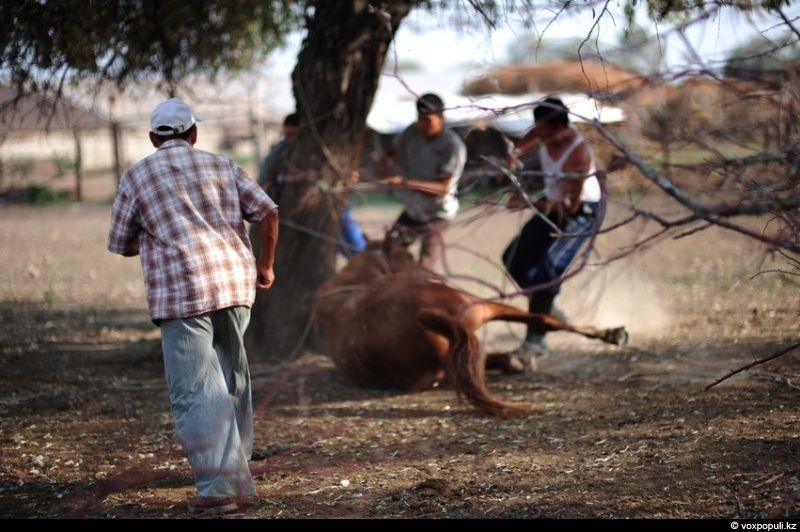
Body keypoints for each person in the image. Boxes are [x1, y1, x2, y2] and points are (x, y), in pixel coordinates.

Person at [107, 97, 279, 514]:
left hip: (183, 291)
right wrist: (266, 264)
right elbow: (268, 212)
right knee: (231, 373)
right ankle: (237, 465)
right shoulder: (222, 165)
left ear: (153, 139)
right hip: (234, 284)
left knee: (197, 389)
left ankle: (223, 489)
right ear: (194, 134)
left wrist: (156, 235)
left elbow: (120, 243)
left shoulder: (136, 176)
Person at [502, 96, 602, 362]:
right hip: (551, 205)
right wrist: (515, 152)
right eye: (538, 129)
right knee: (513, 258)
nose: (540, 136)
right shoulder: (544, 132)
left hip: (579, 213)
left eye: (545, 130)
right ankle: (548, 304)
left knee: (547, 270)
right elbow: (534, 134)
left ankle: (535, 342)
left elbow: (569, 207)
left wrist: (527, 202)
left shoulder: (578, 154)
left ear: (560, 127)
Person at [258, 112, 366, 259]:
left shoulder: (320, 149)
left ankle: (362, 257)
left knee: (349, 235)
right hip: (291, 208)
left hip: (331, 201)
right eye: (288, 135)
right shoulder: (280, 152)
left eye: (294, 135)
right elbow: (266, 179)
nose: (291, 139)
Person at [380, 93, 467, 270]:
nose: (422, 125)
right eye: (419, 119)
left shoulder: (452, 146)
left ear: (442, 118)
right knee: (388, 252)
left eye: (428, 121)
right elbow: (391, 152)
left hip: (437, 214)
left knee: (425, 268)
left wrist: (405, 183)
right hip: (413, 210)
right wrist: (384, 166)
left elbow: (441, 189)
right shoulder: (411, 132)